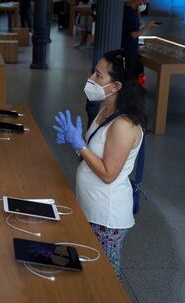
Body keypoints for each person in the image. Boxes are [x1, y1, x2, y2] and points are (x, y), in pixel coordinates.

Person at [53, 49, 147, 277]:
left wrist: (80, 146)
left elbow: (108, 174)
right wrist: (76, 143)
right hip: (89, 206)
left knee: (103, 277)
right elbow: (94, 156)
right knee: (84, 271)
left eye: (98, 75)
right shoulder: (105, 108)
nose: (90, 79)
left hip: (106, 216)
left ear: (116, 86)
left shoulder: (123, 124)